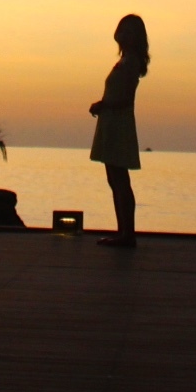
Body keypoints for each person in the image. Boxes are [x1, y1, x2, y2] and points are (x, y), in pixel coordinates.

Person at [88, 13, 149, 247]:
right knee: (114, 179)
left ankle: (127, 233)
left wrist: (103, 105)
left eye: (126, 30)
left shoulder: (132, 61)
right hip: (111, 121)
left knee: (120, 179)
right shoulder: (124, 60)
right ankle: (123, 231)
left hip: (119, 122)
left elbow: (125, 98)